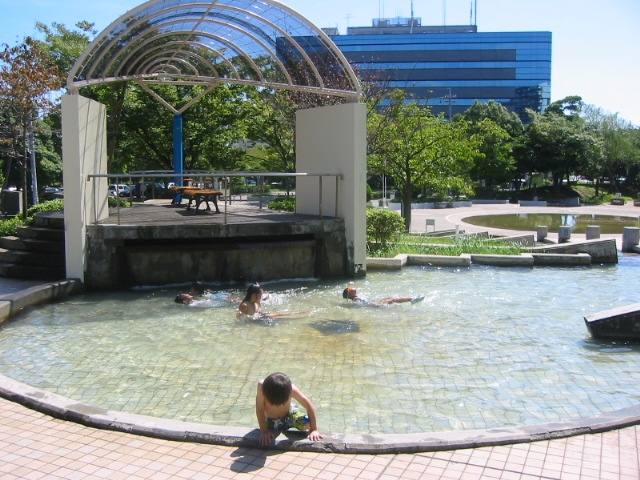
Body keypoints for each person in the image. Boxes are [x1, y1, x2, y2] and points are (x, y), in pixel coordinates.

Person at [255, 372, 323, 445]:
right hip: (271, 421)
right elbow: (260, 409)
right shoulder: (262, 387)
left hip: (289, 415)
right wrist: (264, 431)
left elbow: (309, 406)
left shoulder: (291, 389)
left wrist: (313, 429)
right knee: (269, 431)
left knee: (307, 424)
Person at [342, 286, 424, 306]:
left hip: (376, 303)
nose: (352, 287)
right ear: (350, 293)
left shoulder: (357, 296)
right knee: (394, 299)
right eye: (350, 288)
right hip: (377, 305)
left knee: (392, 296)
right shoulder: (356, 298)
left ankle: (412, 299)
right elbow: (366, 304)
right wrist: (378, 305)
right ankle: (413, 299)